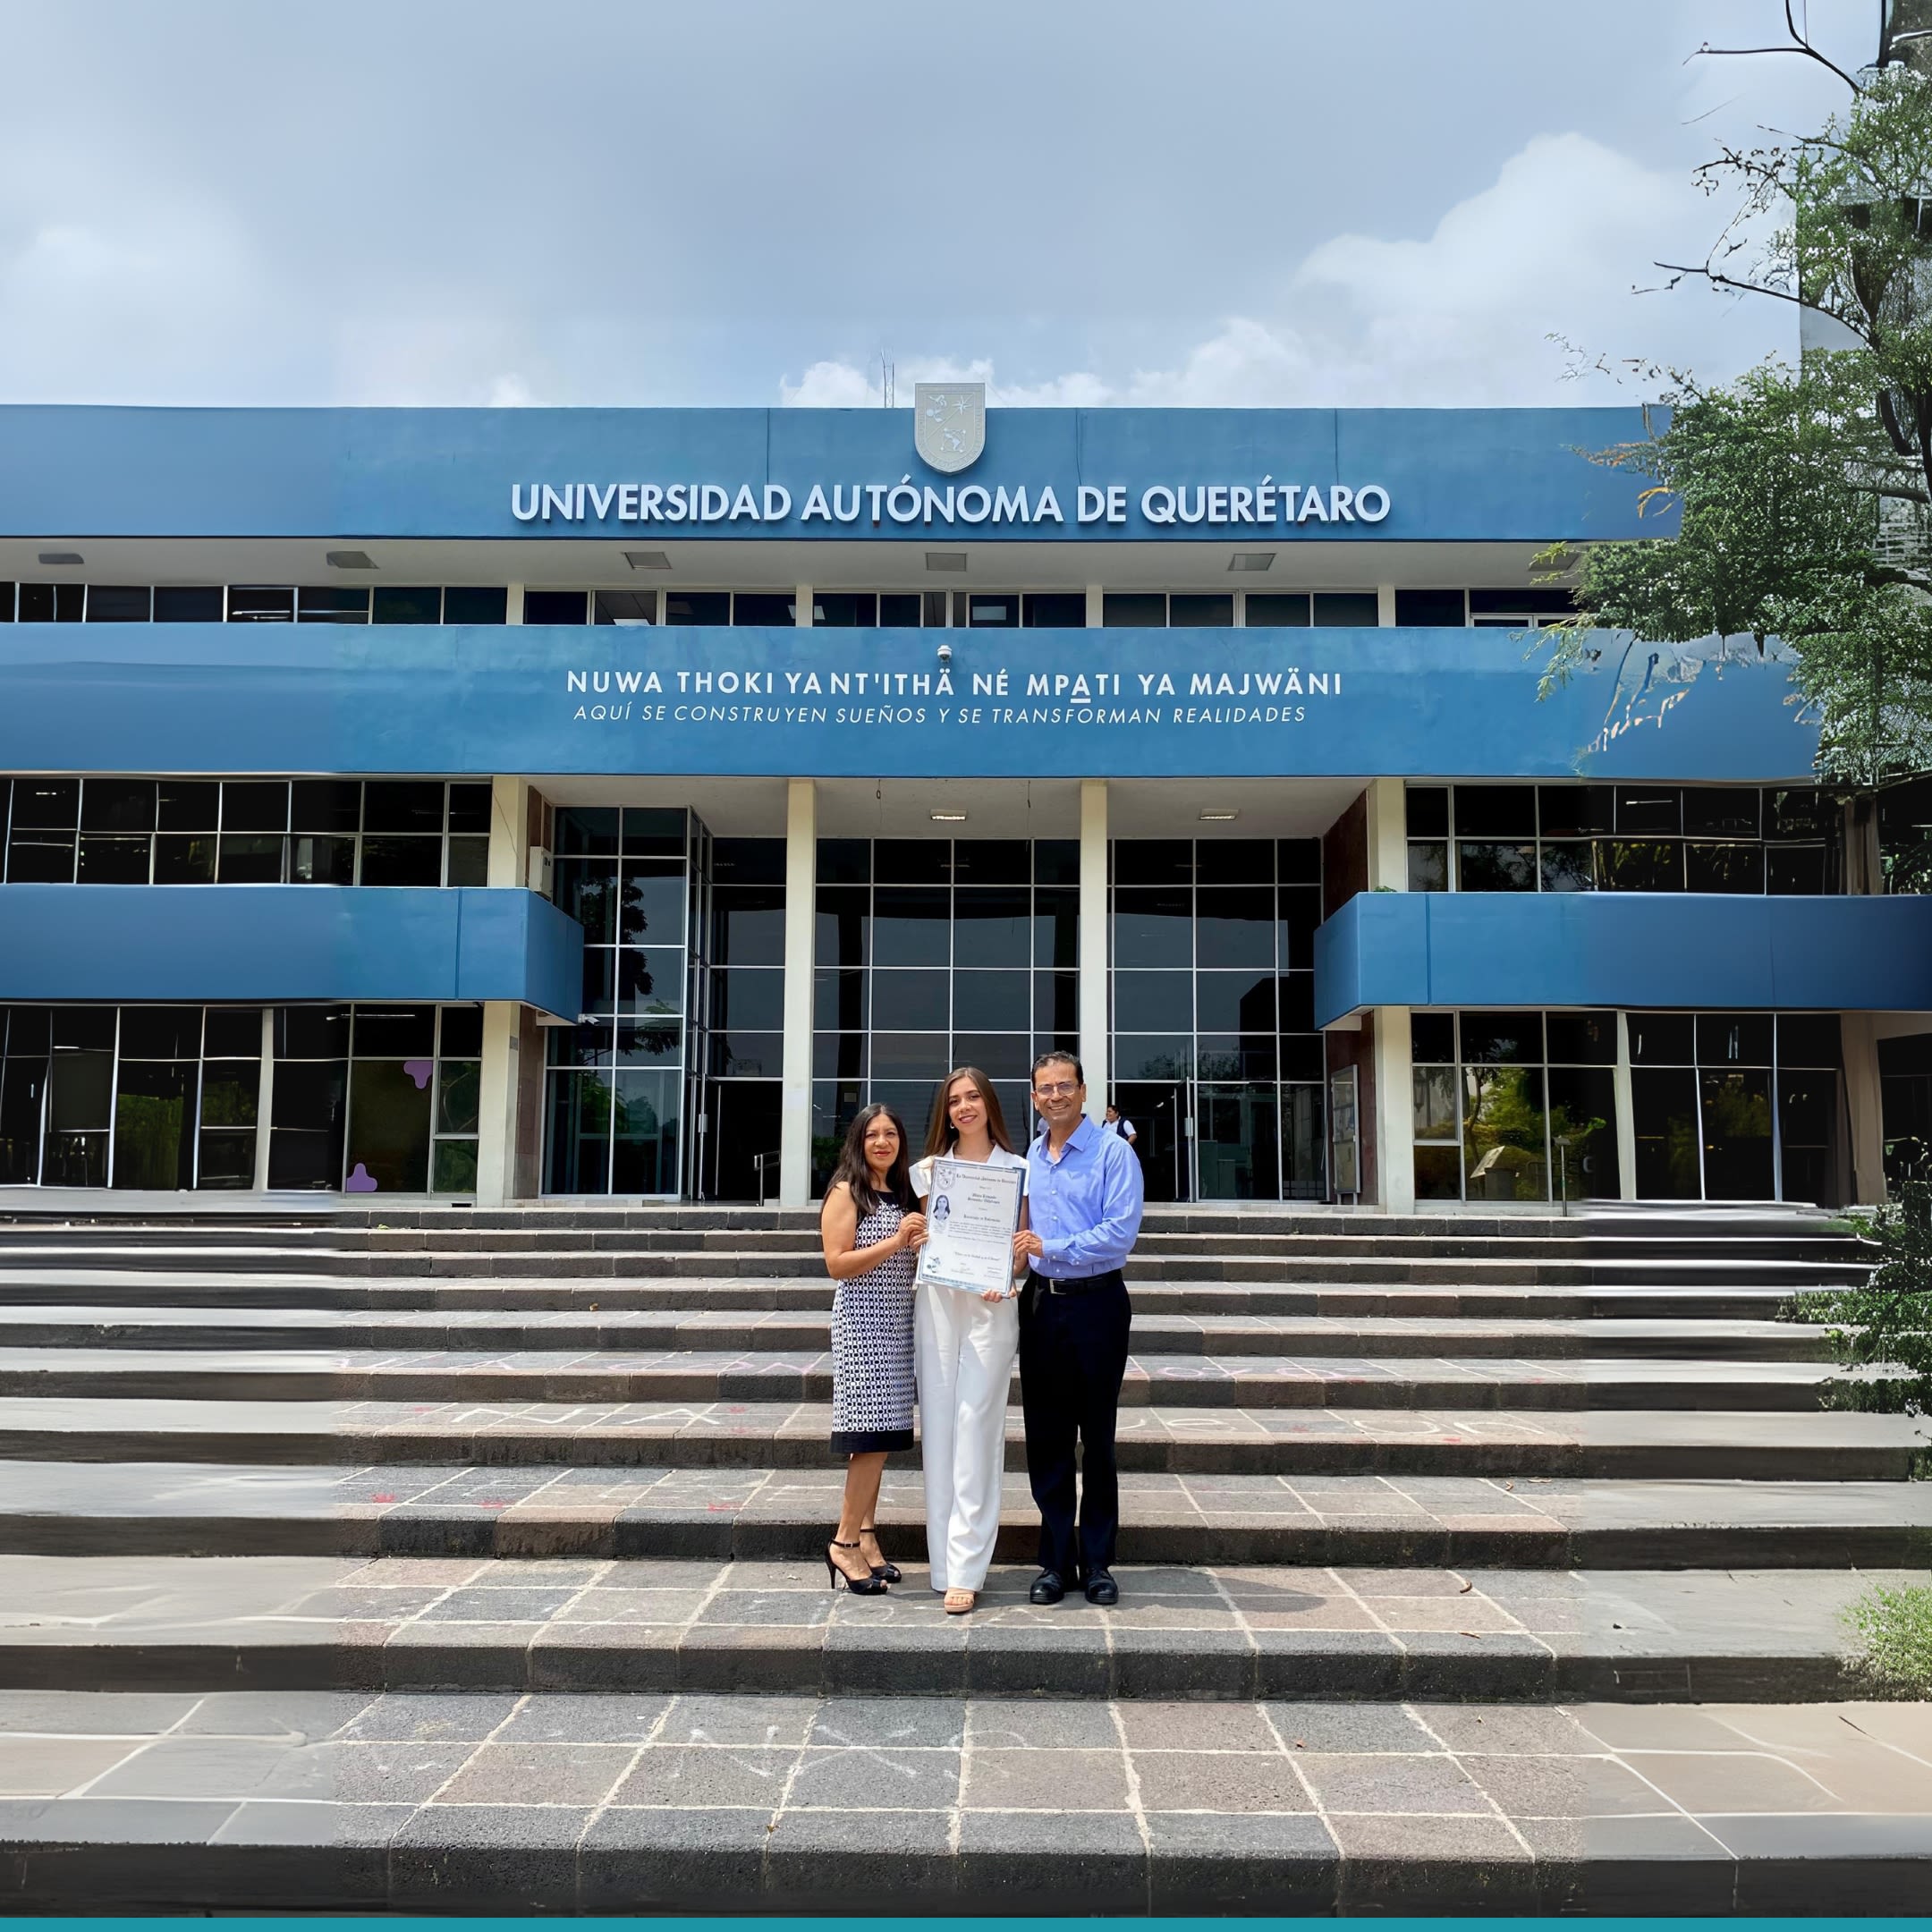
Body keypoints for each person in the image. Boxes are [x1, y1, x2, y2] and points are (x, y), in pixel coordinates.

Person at [1014, 1052, 1146, 1606]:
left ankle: (1096, 1564)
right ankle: (1053, 1563)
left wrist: (1052, 1247)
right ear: (1035, 1097)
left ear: (1084, 1092)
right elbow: (1017, 1234)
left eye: (1065, 1086)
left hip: (1097, 1306)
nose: (1055, 1096)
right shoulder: (1031, 1157)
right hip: (1042, 1305)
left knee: (1097, 1439)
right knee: (1046, 1440)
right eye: (1045, 1088)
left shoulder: (1114, 1153)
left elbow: (1120, 1233)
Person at [910, 1065, 1029, 1616]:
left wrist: (1012, 1270)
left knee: (977, 1429)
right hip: (937, 1306)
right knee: (938, 1429)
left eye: (973, 1096)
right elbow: (920, 1239)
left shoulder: (1017, 1170)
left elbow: (1021, 1247)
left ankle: (967, 1568)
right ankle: (942, 1563)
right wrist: (919, 1241)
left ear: (989, 1104)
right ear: (945, 1111)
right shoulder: (928, 1172)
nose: (964, 1107)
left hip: (990, 1308)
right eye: (954, 1100)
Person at [818, 1104, 925, 1594]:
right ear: (858, 1143)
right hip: (863, 1329)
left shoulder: (905, 1193)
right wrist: (897, 1241)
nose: (882, 1142)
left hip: (899, 1326)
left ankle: (866, 1535)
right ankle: (842, 1543)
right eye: (872, 1135)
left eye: (890, 1133)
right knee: (869, 1441)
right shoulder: (848, 1190)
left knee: (881, 1441)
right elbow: (837, 1264)